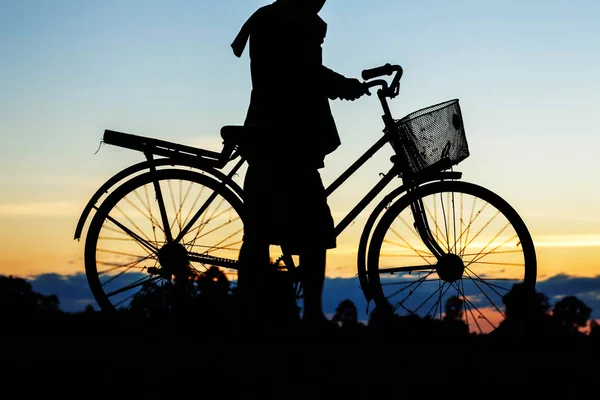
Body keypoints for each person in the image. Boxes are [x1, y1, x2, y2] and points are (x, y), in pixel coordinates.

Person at [231, 0, 368, 332]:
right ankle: (306, 315)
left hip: (279, 136)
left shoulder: (280, 18)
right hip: (281, 137)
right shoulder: (281, 21)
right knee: (311, 230)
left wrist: (339, 85)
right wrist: (342, 86)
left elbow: (301, 71)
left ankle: (259, 313)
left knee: (266, 231)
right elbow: (298, 72)